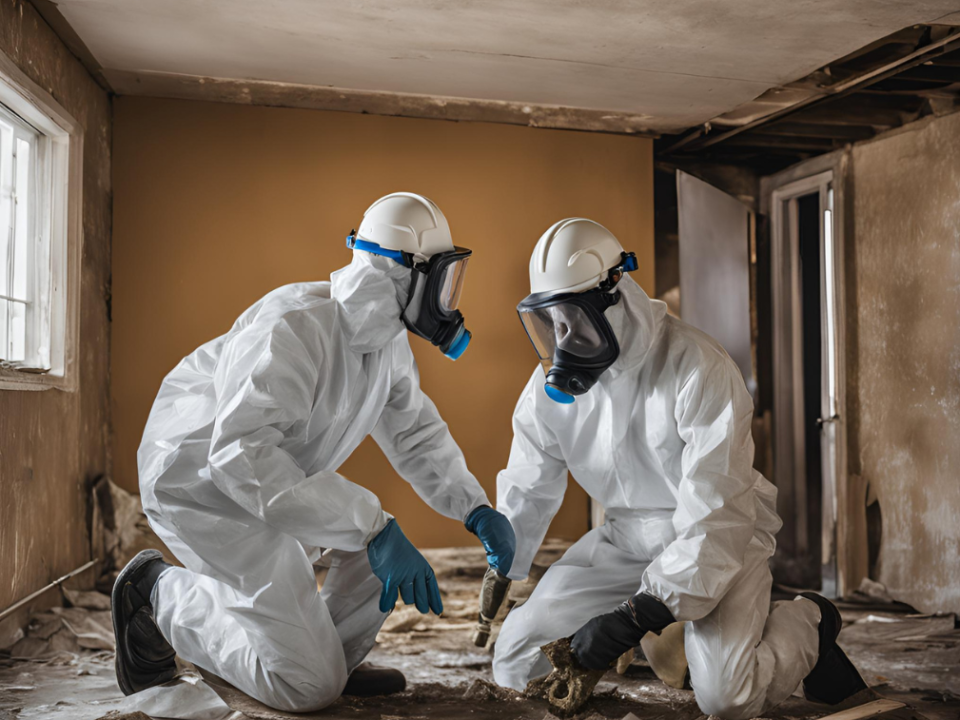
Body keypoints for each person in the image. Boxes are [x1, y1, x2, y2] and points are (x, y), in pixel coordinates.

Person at [112, 193, 516, 713]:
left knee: (371, 558)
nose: (447, 299)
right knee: (308, 688)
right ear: (401, 273)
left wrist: (474, 508)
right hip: (204, 488)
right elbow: (239, 455)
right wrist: (373, 527)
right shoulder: (294, 326)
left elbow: (415, 433)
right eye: (442, 280)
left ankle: (328, 659)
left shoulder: (387, 344)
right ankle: (154, 593)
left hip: (274, 483)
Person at [491, 218, 866, 719]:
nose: (563, 340)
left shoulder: (698, 366)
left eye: (574, 319)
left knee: (728, 698)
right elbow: (530, 480)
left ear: (614, 297)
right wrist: (505, 561)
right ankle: (671, 634)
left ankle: (809, 622)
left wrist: (634, 616)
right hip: (625, 540)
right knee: (515, 662)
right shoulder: (547, 392)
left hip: (720, 540)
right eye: (551, 323)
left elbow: (718, 514)